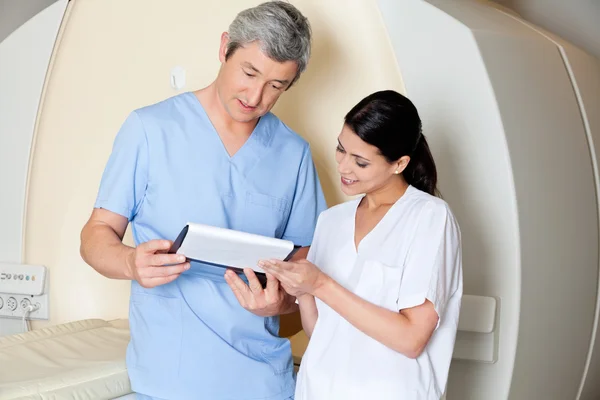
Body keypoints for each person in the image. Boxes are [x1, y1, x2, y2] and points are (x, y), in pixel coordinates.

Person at [79, 2, 327, 399]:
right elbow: (96, 234)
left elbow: (309, 280)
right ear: (225, 47)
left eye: (276, 86)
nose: (256, 96)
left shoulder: (293, 154)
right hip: (170, 377)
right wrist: (129, 261)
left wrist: (278, 306)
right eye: (249, 73)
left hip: (263, 380)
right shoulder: (149, 130)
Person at [260, 90, 463, 400]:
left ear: (399, 163)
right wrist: (303, 289)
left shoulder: (429, 217)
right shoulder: (331, 221)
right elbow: (321, 333)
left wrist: (322, 284)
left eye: (361, 162)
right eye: (341, 150)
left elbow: (411, 338)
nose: (343, 167)